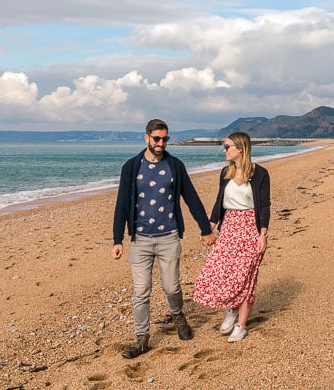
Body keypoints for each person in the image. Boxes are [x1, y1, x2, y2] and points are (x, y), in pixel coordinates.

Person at [112, 118, 214, 359]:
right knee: (142, 291)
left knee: (171, 287)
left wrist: (205, 228)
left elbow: (191, 197)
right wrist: (118, 239)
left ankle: (178, 315)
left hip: (169, 237)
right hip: (140, 239)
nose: (161, 143)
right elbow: (121, 205)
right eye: (156, 138)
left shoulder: (175, 165)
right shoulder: (131, 167)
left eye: (165, 139)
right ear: (146, 137)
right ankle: (142, 338)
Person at [192, 131, 270, 342]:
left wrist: (263, 234)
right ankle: (231, 309)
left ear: (241, 149)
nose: (224, 150)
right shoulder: (225, 172)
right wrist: (209, 225)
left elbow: (264, 206)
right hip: (228, 230)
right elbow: (219, 201)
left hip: (249, 230)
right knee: (221, 272)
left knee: (247, 278)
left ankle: (241, 325)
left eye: (227, 146)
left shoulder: (260, 173)